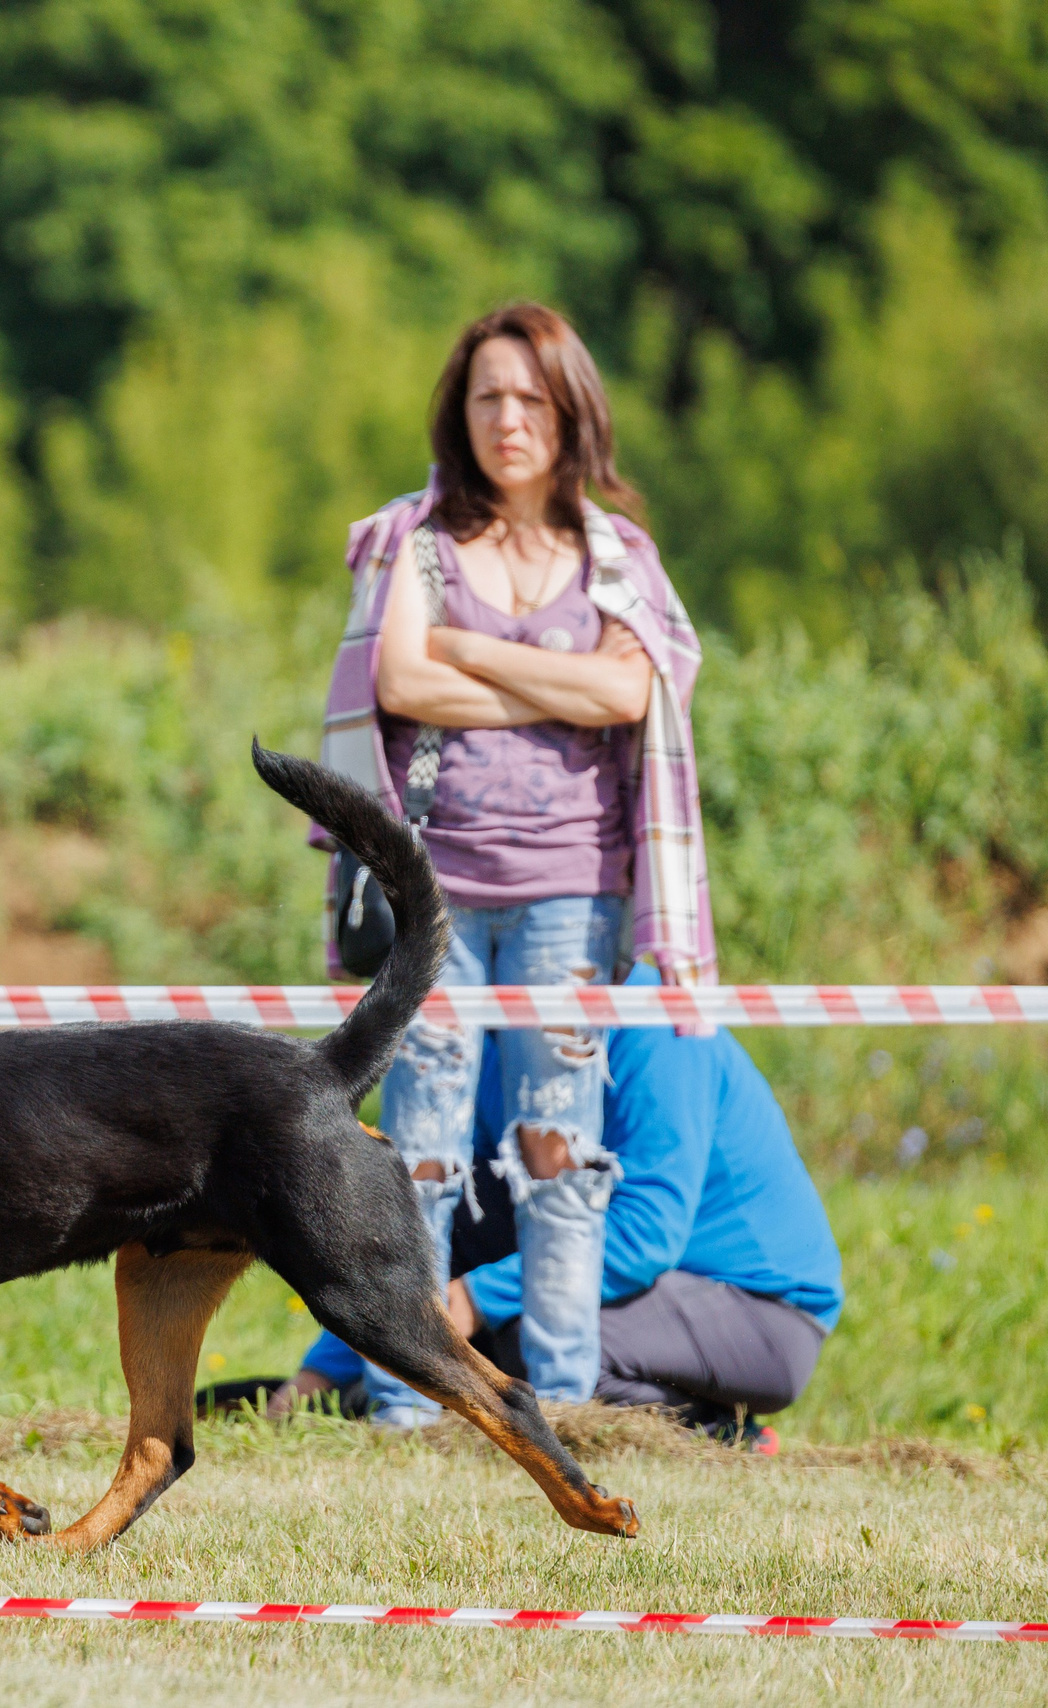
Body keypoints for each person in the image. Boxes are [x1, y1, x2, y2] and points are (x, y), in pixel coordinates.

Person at [314, 303, 714, 1429]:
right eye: (488, 395)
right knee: (420, 1152)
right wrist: (558, 673)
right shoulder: (416, 540)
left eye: (530, 397)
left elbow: (631, 692)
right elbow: (398, 682)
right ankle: (406, 1403)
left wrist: (473, 653)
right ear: (460, 411)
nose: (508, 418)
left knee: (561, 1148)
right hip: (430, 889)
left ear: (569, 410)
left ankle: (565, 1402)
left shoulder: (616, 555)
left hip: (575, 888)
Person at [277, 965, 843, 1443]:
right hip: (639, 1287)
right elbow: (454, 1222)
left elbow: (647, 1230)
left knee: (527, 1343)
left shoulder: (655, 1024)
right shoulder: (496, 1032)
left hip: (762, 1310)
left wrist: (474, 1299)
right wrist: (324, 1369)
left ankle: (717, 1432)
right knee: (488, 1330)